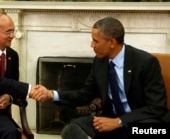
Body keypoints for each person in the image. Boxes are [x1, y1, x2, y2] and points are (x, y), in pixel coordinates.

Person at [30, 17, 168, 139]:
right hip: (111, 119)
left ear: (112, 42)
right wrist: (51, 94)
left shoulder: (145, 62)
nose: (91, 45)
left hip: (143, 121)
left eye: (95, 41)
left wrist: (119, 121)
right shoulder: (100, 61)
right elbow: (84, 94)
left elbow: (156, 107)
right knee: (71, 129)